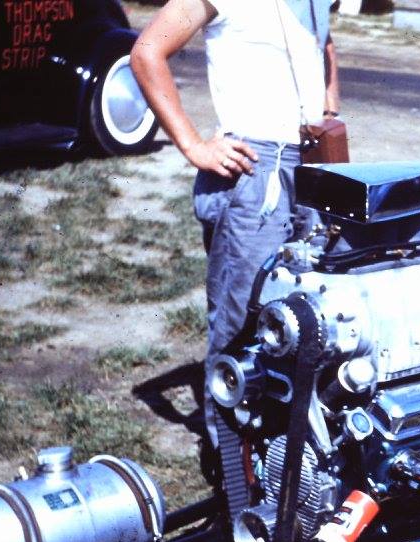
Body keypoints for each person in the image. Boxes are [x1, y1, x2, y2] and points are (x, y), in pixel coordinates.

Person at [130, 0, 340, 451]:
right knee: (241, 323)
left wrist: (329, 108)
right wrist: (193, 146)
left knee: (305, 317)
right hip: (253, 171)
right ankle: (231, 462)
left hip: (311, 164)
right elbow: (147, 52)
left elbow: (322, 42)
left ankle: (286, 451)